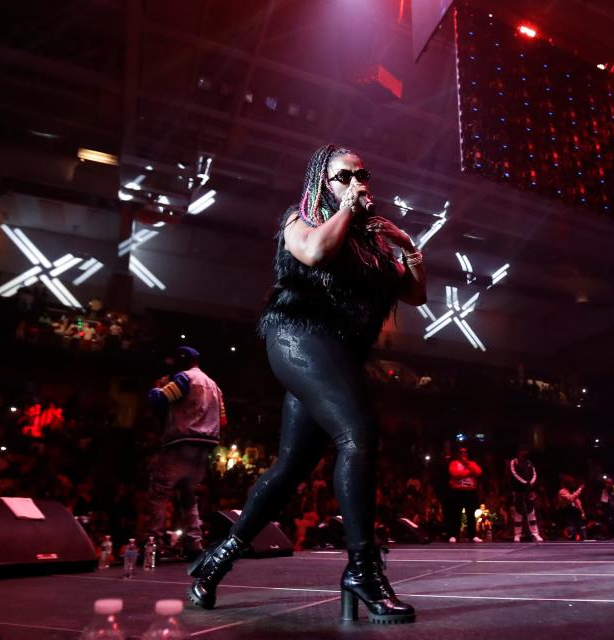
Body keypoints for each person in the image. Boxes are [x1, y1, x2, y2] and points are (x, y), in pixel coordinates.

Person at [188, 145, 425, 625]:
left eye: (363, 173)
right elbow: (315, 252)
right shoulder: (301, 219)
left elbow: (416, 293)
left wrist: (405, 243)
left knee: (292, 468)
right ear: (322, 182)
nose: (358, 181)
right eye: (344, 176)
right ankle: (363, 569)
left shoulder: (374, 243)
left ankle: (215, 561)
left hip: (337, 356)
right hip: (298, 337)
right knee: (358, 436)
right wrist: (343, 208)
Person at [145, 346, 226, 558]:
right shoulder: (214, 386)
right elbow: (223, 419)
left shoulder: (184, 378)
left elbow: (158, 399)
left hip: (181, 443)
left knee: (159, 493)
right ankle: (194, 543)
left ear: (183, 361)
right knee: (189, 496)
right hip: (204, 448)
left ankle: (154, 543)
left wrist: (157, 388)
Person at [446, 446, 483, 543]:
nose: (463, 454)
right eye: (461, 452)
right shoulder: (454, 463)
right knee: (455, 514)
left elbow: (478, 472)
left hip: (470, 492)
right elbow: (455, 474)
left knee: (471, 514)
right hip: (457, 492)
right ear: (458, 454)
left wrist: (467, 464)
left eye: (465, 452)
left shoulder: (472, 463)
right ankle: (454, 535)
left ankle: (473, 536)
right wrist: (469, 471)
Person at [507, 446, 543, 542]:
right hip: (518, 490)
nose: (525, 452)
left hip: (529, 489)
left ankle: (535, 533)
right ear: (519, 452)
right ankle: (517, 534)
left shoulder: (529, 462)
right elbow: (514, 473)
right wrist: (524, 482)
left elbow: (534, 473)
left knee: (531, 511)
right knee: (518, 512)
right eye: (523, 451)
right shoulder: (514, 462)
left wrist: (531, 482)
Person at [557, 475, 586, 540]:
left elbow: (578, 504)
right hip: (568, 514)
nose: (574, 484)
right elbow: (570, 499)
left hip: (576, 514)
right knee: (571, 533)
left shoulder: (572, 491)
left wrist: (582, 513)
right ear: (568, 484)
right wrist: (580, 489)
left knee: (583, 533)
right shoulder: (562, 491)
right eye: (572, 483)